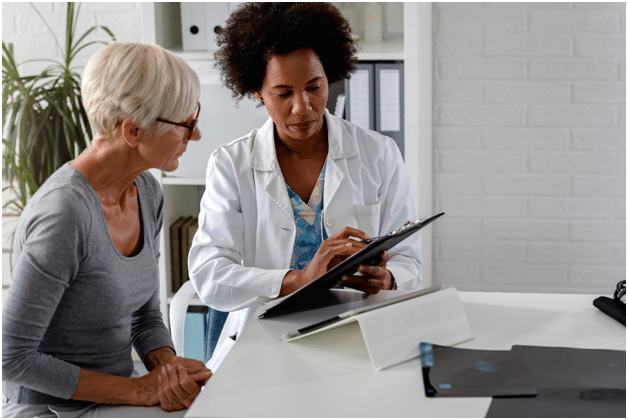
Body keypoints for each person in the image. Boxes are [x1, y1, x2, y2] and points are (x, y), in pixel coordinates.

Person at [188, 2, 423, 372]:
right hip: (263, 344)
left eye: (315, 87)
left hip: (361, 337)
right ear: (256, 91)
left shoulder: (379, 154)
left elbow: (410, 260)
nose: (303, 107)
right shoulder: (231, 165)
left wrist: (389, 277)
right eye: (283, 94)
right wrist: (298, 279)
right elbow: (210, 276)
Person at [2, 42, 212, 418]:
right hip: (50, 410)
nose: (195, 136)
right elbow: (11, 358)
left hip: (115, 398)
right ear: (133, 131)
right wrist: (137, 391)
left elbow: (145, 318)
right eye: (186, 123)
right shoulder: (64, 215)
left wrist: (168, 370)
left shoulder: (147, 192)